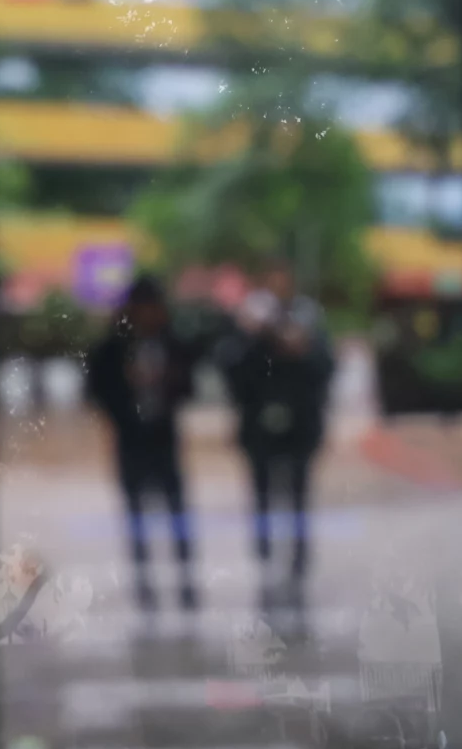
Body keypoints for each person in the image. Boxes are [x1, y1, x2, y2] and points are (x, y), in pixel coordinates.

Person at [218, 264, 335, 627]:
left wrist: (302, 347)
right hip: (260, 429)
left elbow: (325, 369)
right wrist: (255, 337)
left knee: (298, 494)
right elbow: (232, 371)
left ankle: (298, 560)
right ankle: (265, 555)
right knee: (262, 495)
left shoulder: (308, 321)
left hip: (300, 428)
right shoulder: (251, 327)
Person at [85, 275, 198, 611]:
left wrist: (166, 383)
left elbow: (189, 386)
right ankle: (144, 584)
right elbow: (96, 389)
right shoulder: (113, 347)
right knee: (136, 514)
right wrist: (125, 396)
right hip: (130, 439)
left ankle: (185, 581)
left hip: (164, 439)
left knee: (176, 512)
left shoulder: (172, 343)